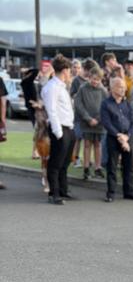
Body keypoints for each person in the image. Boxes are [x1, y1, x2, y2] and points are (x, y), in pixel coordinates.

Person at [100, 77, 133, 203]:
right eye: (120, 86)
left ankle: (129, 191)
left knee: (129, 166)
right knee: (112, 166)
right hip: (113, 138)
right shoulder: (106, 104)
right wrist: (119, 136)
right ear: (112, 88)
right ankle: (111, 192)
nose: (123, 89)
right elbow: (106, 123)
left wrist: (127, 136)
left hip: (127, 137)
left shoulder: (127, 104)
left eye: (124, 87)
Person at [41, 54, 75, 205]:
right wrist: (58, 132)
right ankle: (54, 193)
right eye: (70, 70)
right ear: (65, 70)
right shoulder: (52, 87)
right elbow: (52, 111)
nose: (70, 74)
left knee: (65, 162)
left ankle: (63, 190)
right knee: (55, 163)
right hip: (59, 128)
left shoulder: (61, 86)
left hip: (68, 127)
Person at [73, 63, 106, 179]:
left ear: (100, 80)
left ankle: (97, 168)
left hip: (99, 123)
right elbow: (78, 104)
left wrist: (97, 119)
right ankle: (86, 168)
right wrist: (88, 118)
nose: (95, 82)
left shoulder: (103, 90)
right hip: (86, 122)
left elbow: (106, 106)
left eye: (97, 80)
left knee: (98, 144)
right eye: (93, 79)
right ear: (89, 77)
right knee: (87, 145)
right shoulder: (83, 88)